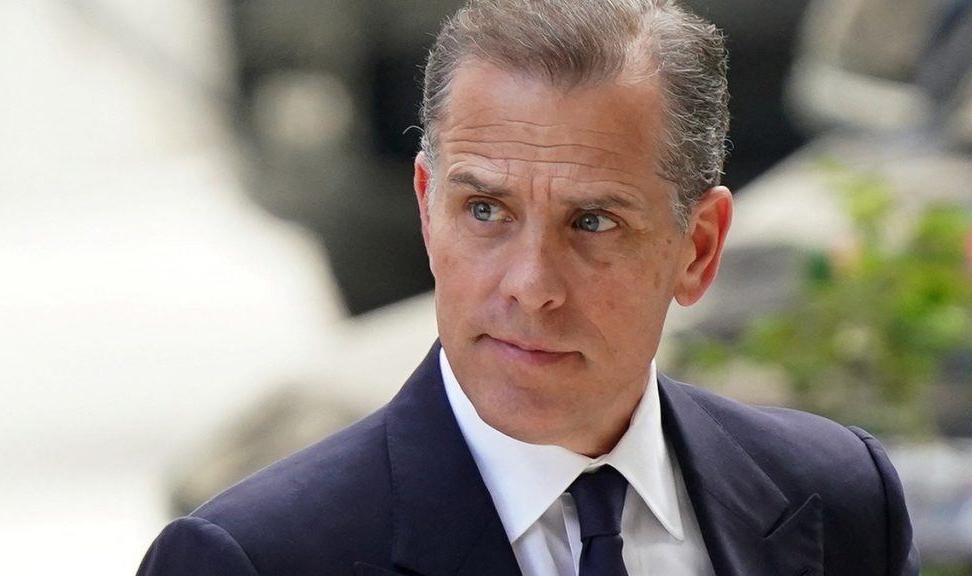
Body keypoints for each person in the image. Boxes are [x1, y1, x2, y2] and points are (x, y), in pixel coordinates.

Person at [137, 0, 919, 574]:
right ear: (428, 211)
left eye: (594, 223)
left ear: (699, 248)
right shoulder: (254, 558)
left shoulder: (840, 500)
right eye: (485, 211)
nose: (532, 286)